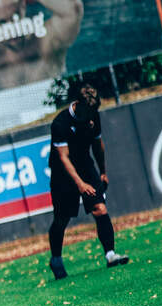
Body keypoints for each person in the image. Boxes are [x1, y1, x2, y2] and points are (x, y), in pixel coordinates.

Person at [47, 83, 129, 280]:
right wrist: (80, 184)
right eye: (88, 111)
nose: (91, 115)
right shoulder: (60, 123)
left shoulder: (92, 114)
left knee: (100, 208)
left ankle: (110, 254)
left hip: (85, 165)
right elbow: (63, 158)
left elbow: (98, 145)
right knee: (61, 219)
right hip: (63, 173)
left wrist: (103, 171)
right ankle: (56, 258)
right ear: (78, 104)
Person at [0, 0, 83, 91]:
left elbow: (73, 11)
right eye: (2, 22)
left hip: (60, 113)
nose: (11, 28)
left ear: (23, 7)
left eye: (15, 17)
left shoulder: (46, 38)